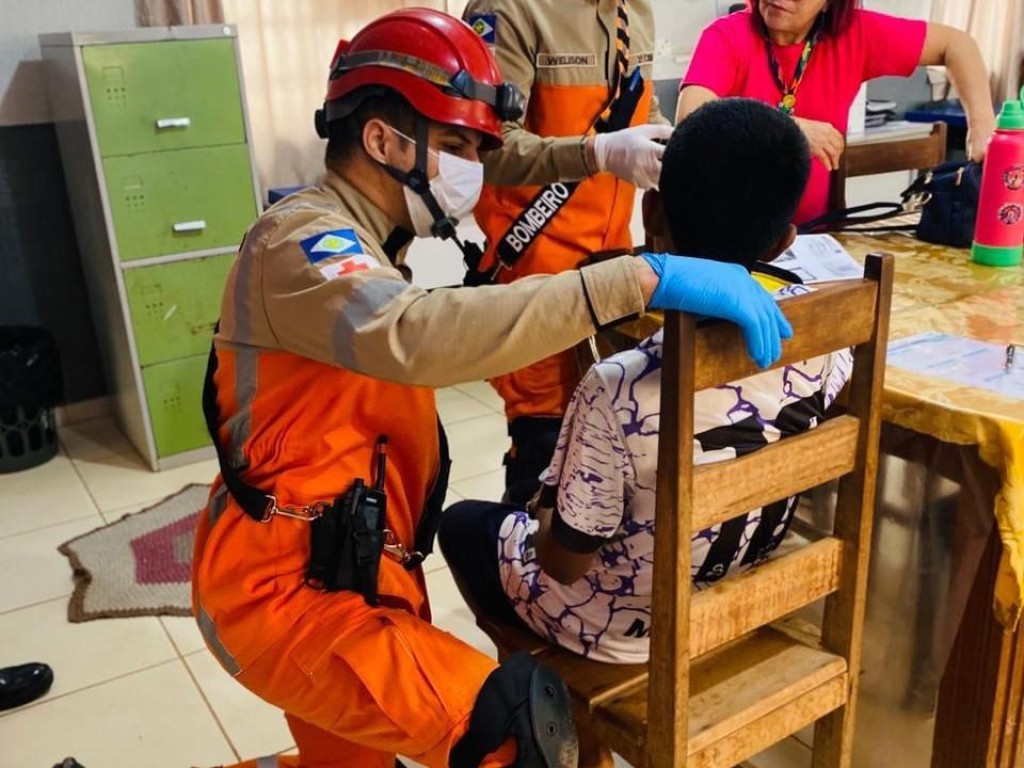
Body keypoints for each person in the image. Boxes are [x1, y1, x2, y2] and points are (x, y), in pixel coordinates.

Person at [192, 10, 793, 768]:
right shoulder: (301, 242)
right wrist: (642, 275)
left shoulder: (374, 244)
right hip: (289, 594)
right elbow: (416, 336)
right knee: (512, 733)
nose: (474, 169)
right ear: (381, 140)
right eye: (455, 147)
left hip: (356, 567)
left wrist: (603, 178)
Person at [439, 97, 853, 681]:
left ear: (651, 211)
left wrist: (548, 506)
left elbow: (563, 564)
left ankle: (530, 694)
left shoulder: (619, 386)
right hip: (743, 592)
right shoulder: (830, 343)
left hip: (622, 636)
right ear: (786, 240)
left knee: (463, 523)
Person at [463, 0, 673, 505]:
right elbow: (486, 145)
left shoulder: (635, 12)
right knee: (545, 456)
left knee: (611, 447)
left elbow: (641, 109)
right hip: (537, 277)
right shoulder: (509, 10)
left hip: (615, 275)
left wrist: (674, 141)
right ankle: (522, 575)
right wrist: (595, 153)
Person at [676, 0, 995, 226]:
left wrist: (981, 130)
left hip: (814, 239)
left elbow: (958, 45)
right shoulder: (726, 36)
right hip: (730, 240)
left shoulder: (854, 35)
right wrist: (786, 128)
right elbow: (690, 121)